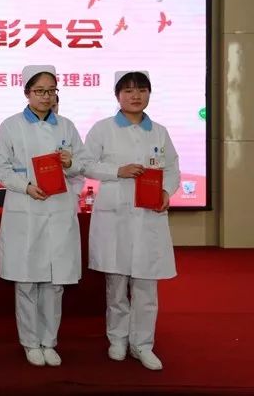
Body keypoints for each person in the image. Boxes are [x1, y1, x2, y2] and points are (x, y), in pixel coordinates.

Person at [83, 71, 180, 371]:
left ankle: (143, 344)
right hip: (115, 218)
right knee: (116, 284)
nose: (135, 96)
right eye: (128, 91)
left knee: (146, 286)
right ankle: (118, 339)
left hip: (148, 217)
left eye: (141, 90)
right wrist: (117, 171)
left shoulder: (159, 132)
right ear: (117, 96)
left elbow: (172, 168)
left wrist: (167, 191)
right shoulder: (103, 129)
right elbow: (85, 164)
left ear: (149, 94)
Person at [0, 65, 87, 367]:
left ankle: (49, 341)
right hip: (26, 209)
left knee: (54, 283)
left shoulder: (67, 127)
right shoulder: (10, 126)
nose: (46, 96)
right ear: (27, 93)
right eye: (39, 91)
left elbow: (82, 166)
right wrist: (26, 186)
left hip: (58, 210)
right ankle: (30, 342)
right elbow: (1, 167)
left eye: (50, 91)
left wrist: (70, 163)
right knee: (27, 282)